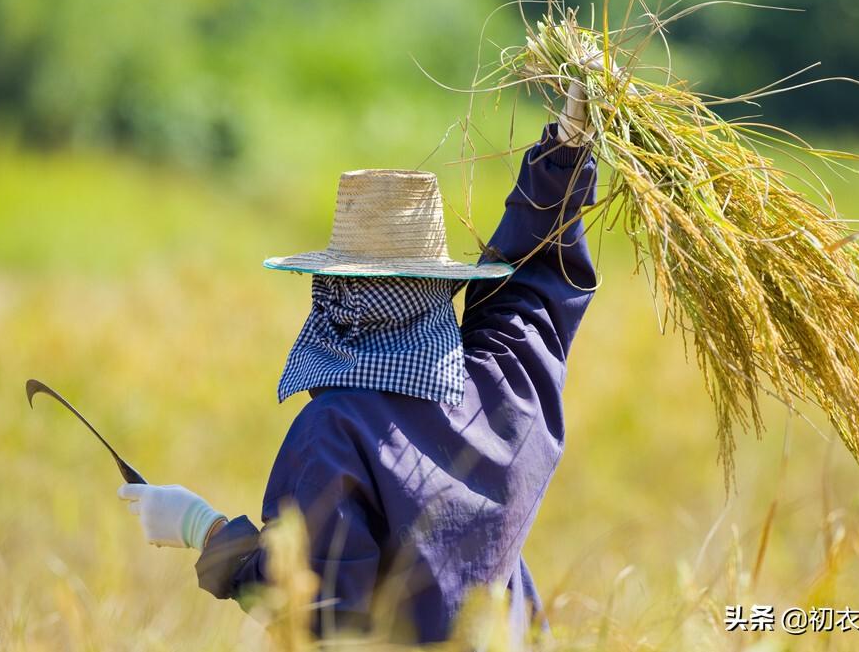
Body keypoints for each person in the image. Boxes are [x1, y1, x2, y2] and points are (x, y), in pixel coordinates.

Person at [119, 71, 602, 644]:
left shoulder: (333, 430)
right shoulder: (502, 384)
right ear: (436, 287)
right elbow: (537, 290)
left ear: (335, 295)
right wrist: (566, 156)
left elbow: (321, 614)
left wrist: (203, 530)